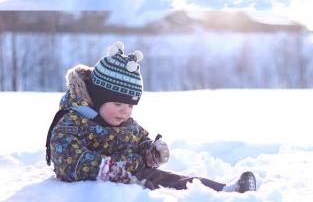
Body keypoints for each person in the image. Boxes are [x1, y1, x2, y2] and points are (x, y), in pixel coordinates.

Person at [45, 42, 257, 193]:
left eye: (130, 105)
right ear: (98, 99)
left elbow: (141, 142)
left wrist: (151, 153)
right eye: (118, 103)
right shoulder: (72, 122)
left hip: (133, 176)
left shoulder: (127, 124)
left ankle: (224, 190)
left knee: (173, 180)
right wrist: (130, 164)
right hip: (96, 191)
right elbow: (69, 162)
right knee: (155, 187)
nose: (125, 111)